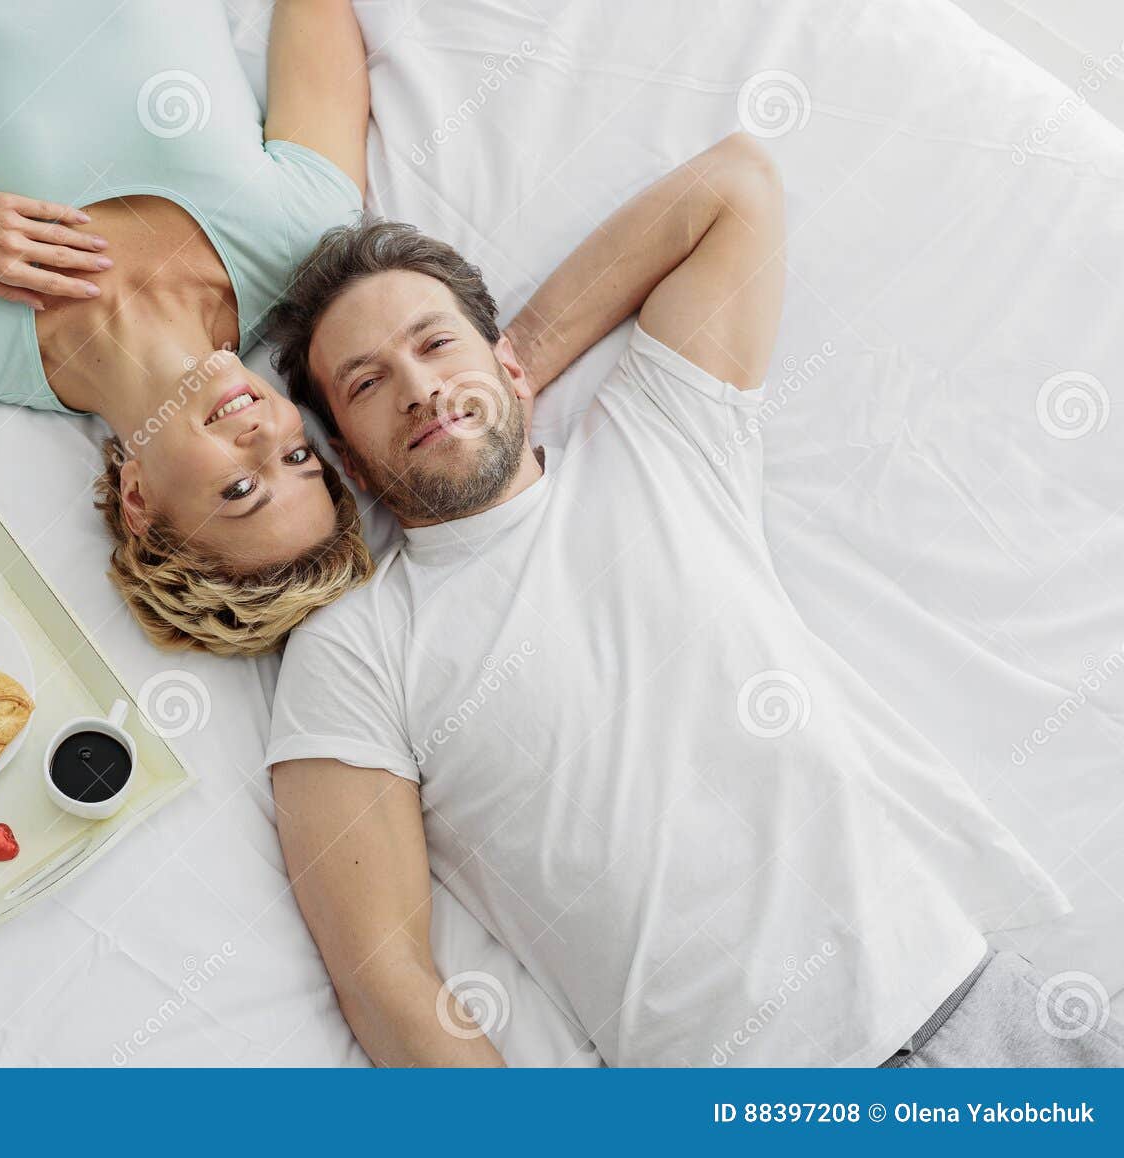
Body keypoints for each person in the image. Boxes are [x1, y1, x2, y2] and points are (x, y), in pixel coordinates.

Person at [262, 133, 1121, 1066]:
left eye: (435, 346)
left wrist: (496, 385)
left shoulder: (655, 440)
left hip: (975, 1013)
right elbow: (385, 983)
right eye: (369, 384)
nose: (420, 387)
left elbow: (735, 186)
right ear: (346, 455)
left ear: (510, 363)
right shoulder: (353, 650)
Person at [0, 0, 373, 656]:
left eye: (241, 488)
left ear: (138, 501)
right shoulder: (302, 231)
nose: (263, 438)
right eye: (299, 456)